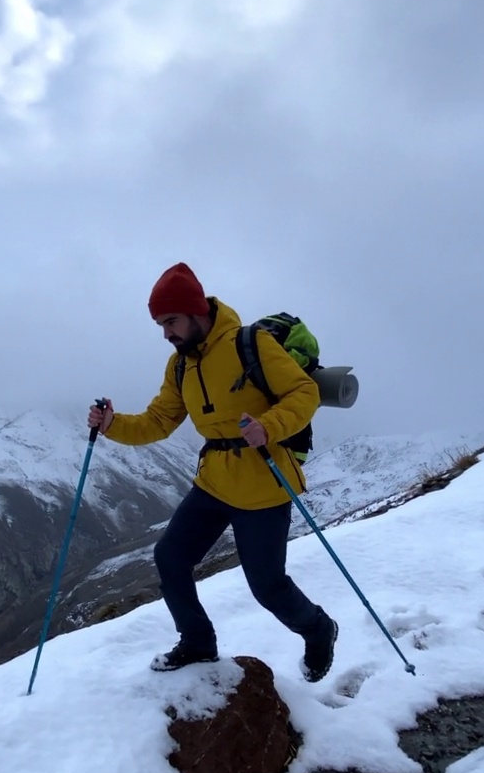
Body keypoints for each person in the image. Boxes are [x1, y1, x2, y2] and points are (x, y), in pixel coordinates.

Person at [87, 263, 338, 679]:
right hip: (215, 481)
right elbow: (158, 421)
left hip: (265, 483)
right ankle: (198, 642)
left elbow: (303, 390)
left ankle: (318, 628)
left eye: (171, 321)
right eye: (159, 324)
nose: (166, 333)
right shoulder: (181, 365)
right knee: (171, 557)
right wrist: (112, 424)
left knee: (268, 588)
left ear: (196, 311)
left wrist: (269, 426)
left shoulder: (250, 344)